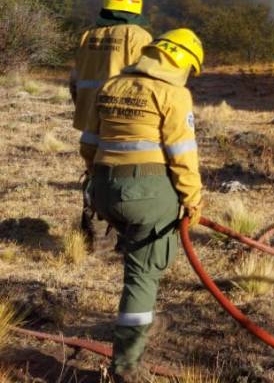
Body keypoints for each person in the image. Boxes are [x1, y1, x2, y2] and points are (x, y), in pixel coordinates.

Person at [87, 29, 204, 383]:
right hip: (147, 192)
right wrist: (192, 199)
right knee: (142, 275)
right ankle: (126, 366)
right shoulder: (173, 93)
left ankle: (140, 316)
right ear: (182, 63)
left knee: (138, 258)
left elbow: (88, 142)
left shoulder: (111, 85)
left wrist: (101, 182)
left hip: (103, 187)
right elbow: (182, 156)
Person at [71, 0, 152, 163]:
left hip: (88, 115)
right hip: (120, 119)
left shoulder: (88, 35)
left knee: (93, 168)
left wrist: (82, 107)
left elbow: (74, 80)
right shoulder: (139, 36)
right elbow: (147, 82)